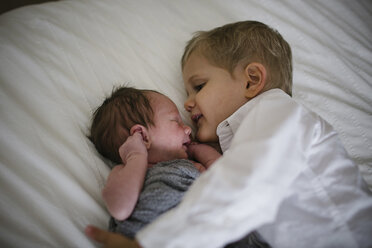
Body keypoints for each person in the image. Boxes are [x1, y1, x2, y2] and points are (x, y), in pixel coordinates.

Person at [86, 21, 372, 247]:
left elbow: (242, 187)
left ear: (252, 80)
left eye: (199, 86)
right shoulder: (240, 141)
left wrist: (152, 243)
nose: (187, 103)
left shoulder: (276, 112)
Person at [89, 86, 220, 237]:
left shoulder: (191, 165)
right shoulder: (123, 172)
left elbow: (225, 177)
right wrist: (135, 156)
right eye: (176, 121)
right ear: (142, 136)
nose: (188, 129)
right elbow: (120, 209)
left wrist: (200, 150)